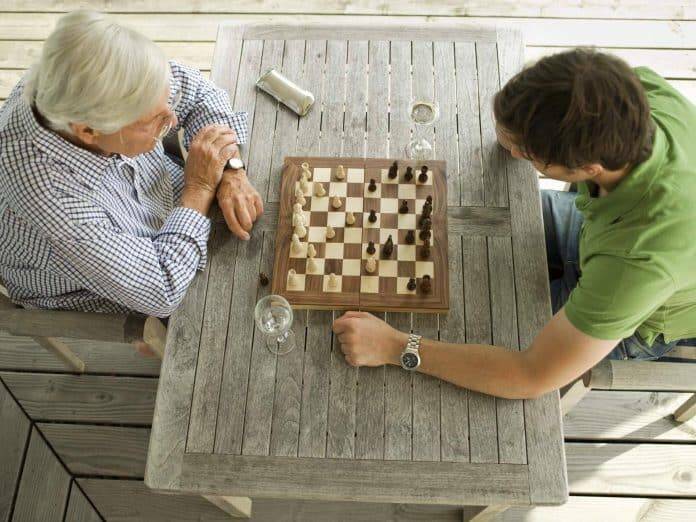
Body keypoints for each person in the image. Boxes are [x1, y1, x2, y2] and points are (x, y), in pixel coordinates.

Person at [334, 49, 696, 399]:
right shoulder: (628, 91)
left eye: (530, 154)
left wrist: (396, 346)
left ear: (589, 169)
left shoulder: (639, 262)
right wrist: (517, 125)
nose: (516, 152)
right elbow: (520, 125)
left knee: (472, 326)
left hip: (638, 309)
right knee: (450, 227)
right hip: (595, 227)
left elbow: (529, 375)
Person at [0, 10, 263, 318]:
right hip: (118, 290)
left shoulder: (99, 76)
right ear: (88, 131)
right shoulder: (51, 200)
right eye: (157, 121)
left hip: (170, 205)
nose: (173, 120)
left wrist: (231, 168)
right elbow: (162, 290)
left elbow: (199, 93)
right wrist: (200, 188)